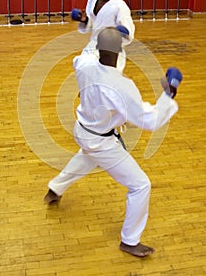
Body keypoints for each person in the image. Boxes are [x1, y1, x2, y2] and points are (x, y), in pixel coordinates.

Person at [44, 27, 182, 258]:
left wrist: (105, 33)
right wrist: (169, 94)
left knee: (87, 157)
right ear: (120, 51)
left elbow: (82, 55)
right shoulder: (121, 86)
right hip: (101, 140)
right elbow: (149, 121)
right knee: (140, 185)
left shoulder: (84, 65)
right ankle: (130, 240)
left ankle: (55, 189)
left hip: (83, 129)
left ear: (97, 48)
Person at [71, 0, 135, 72]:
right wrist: (84, 20)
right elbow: (93, 24)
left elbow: (128, 34)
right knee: (82, 69)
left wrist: (120, 32)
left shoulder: (120, 6)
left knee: (107, 82)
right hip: (93, 46)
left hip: (111, 51)